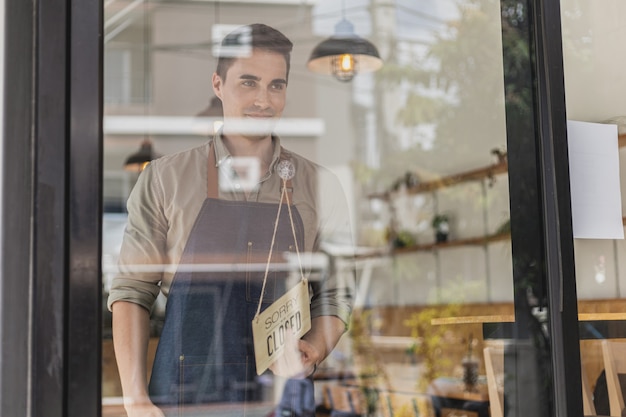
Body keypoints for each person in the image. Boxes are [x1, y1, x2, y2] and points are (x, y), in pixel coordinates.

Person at [107, 23, 354, 417]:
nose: (263, 99)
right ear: (218, 84)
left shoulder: (320, 186)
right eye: (249, 82)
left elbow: (335, 294)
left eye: (276, 85)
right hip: (181, 399)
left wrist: (318, 346)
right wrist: (135, 398)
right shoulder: (165, 179)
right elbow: (133, 292)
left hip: (281, 399)